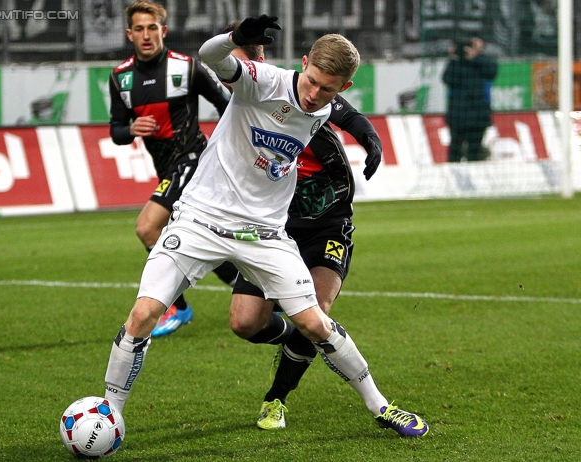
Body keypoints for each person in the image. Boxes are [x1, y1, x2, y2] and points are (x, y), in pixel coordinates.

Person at [102, 15, 429, 439]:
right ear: (304, 62)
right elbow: (210, 57)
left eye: (326, 89)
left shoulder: (326, 104)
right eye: (311, 80)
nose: (314, 95)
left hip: (265, 232)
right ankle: (109, 413)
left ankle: (382, 406)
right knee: (143, 313)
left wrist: (368, 137)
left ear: (341, 89)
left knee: (314, 324)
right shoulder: (264, 81)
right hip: (202, 217)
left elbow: (344, 114)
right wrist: (235, 39)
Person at [223, 32, 424, 436]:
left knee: (317, 308)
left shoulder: (305, 94)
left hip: (328, 222)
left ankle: (276, 398)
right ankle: (291, 334)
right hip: (272, 226)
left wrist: (369, 138)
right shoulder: (239, 100)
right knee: (244, 323)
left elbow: (346, 114)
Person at [109, 1, 238, 337]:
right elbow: (116, 131)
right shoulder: (121, 77)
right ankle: (256, 290)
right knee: (204, 238)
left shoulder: (187, 67)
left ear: (163, 31)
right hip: (165, 167)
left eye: (152, 28)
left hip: (192, 158)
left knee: (148, 228)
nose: (146, 35)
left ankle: (176, 307)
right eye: (139, 29)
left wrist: (224, 149)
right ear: (130, 34)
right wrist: (131, 129)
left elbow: (227, 106)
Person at [442, 36, 498, 162]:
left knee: (475, 149)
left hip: (478, 113)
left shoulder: (484, 62)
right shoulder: (456, 63)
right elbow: (447, 79)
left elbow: (493, 72)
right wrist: (454, 58)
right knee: (455, 147)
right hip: (458, 113)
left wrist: (475, 57)